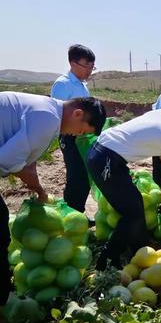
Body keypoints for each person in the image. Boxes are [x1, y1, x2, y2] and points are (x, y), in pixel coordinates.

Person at [1, 91, 106, 306]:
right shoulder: (47, 117)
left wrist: (32, 176)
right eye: (81, 130)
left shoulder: (48, 114)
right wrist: (36, 185)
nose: (77, 135)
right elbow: (7, 159)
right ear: (77, 113)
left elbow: (27, 156)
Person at [87, 99, 161, 270]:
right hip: (106, 161)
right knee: (132, 212)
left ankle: (138, 248)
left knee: (136, 204)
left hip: (100, 151)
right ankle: (106, 261)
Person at [51, 44, 97, 214]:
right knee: (76, 175)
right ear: (73, 63)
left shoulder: (82, 84)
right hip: (69, 136)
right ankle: (70, 215)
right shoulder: (63, 84)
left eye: (92, 67)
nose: (90, 71)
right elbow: (58, 113)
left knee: (84, 175)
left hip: (83, 136)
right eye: (87, 66)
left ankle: (78, 213)